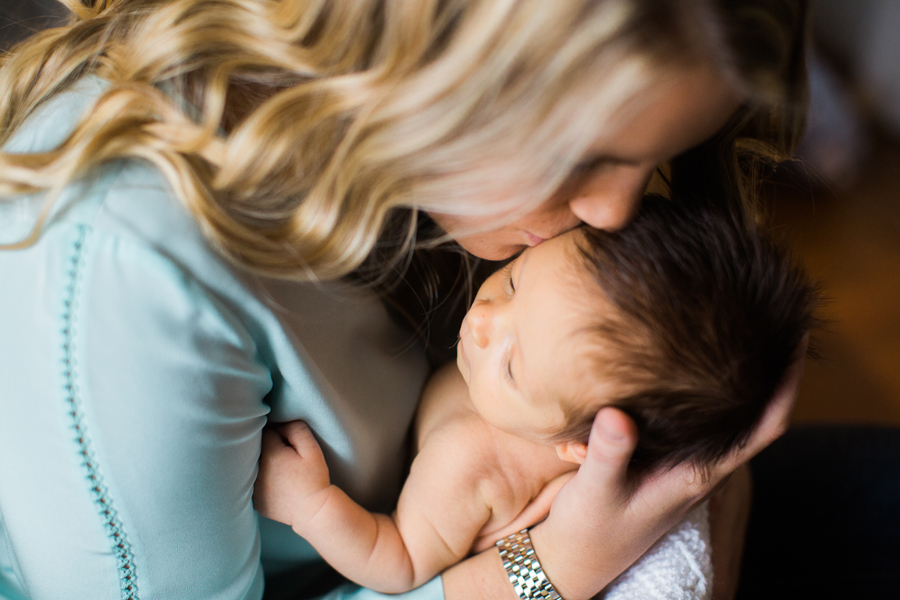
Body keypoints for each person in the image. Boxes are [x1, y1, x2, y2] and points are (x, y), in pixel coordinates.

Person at [0, 1, 809, 599]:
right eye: (583, 155)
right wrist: (553, 569)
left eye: (654, 158)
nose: (617, 215)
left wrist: (705, 471)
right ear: (435, 61)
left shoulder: (430, 158)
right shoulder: (124, 262)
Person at [253, 195, 817, 594]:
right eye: (516, 281)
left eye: (514, 365)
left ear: (583, 448)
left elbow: (397, 564)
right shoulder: (560, 386)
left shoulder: (469, 464)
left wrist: (313, 507)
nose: (483, 321)